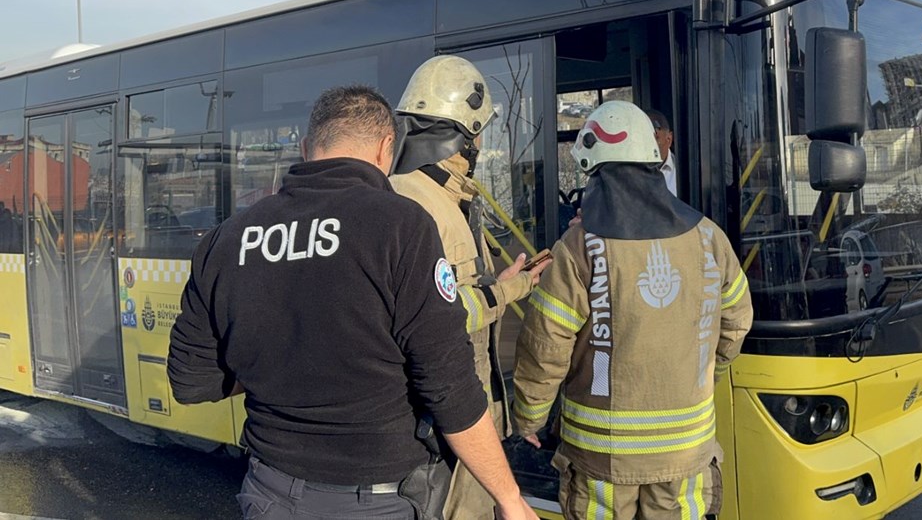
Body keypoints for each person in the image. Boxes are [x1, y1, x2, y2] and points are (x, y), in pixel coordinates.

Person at [167, 85, 537, 520]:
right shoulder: (401, 225)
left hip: (268, 495)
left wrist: (288, 363)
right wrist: (509, 497)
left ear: (307, 148)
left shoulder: (226, 239)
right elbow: (448, 385)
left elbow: (190, 382)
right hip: (377, 501)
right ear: (386, 149)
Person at [511, 101, 754, 520]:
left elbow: (546, 345)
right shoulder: (709, 237)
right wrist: (700, 373)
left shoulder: (581, 247)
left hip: (602, 460)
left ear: (594, 169)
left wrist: (529, 417)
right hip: (686, 453)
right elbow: (735, 323)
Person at [389, 55, 552, 519]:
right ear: (465, 133)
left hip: (461, 416)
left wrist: (503, 285)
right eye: (479, 132)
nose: (482, 143)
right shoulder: (417, 204)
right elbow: (441, 318)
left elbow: (455, 297)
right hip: (441, 428)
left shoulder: (448, 197)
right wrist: (507, 292)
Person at [643, 108, 677, 196]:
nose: (647, 144)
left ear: (668, 139)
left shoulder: (681, 172)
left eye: (654, 137)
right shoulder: (631, 171)